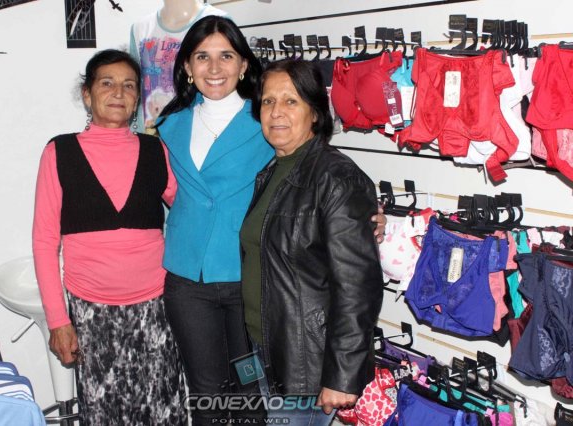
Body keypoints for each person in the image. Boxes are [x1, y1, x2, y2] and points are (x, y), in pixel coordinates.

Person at [156, 16, 386, 425]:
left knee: (253, 398)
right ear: (187, 66)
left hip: (251, 281)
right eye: (202, 57)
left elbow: (325, 195)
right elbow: (172, 191)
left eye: (226, 56)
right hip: (191, 276)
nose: (214, 67)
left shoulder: (264, 124)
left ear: (244, 64)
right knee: (208, 394)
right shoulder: (171, 125)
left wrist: (365, 218)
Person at [32, 49, 187, 425]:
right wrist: (58, 321)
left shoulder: (156, 150)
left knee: (163, 410)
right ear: (87, 94)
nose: (119, 92)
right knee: (105, 415)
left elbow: (188, 210)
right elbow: (44, 241)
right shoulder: (60, 152)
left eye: (129, 85)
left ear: (137, 98)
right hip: (91, 314)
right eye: (107, 83)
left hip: (157, 310)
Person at [240, 59, 384, 425]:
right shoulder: (274, 170)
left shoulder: (336, 178)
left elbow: (358, 286)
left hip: (307, 361)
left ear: (315, 113)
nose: (276, 112)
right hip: (270, 347)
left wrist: (341, 374)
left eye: (291, 101)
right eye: (268, 101)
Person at [129, 0, 227, 132]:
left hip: (198, 131)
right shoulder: (140, 28)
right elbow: (134, 83)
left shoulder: (217, 20)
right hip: (150, 133)